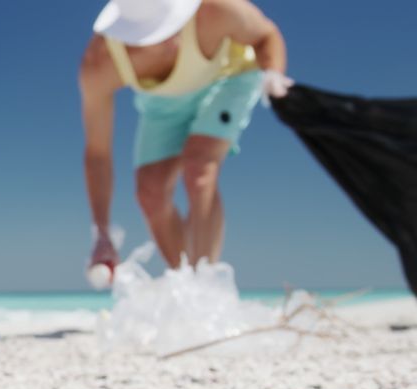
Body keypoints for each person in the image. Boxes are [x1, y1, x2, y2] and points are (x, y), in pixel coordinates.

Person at [79, 0, 290, 287]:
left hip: (228, 77)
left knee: (199, 169)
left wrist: (273, 73)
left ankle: (206, 283)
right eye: (151, 38)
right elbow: (98, 154)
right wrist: (101, 232)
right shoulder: (100, 63)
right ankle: (184, 284)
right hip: (163, 101)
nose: (170, 41)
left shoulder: (216, 9)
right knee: (150, 193)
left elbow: (267, 34)